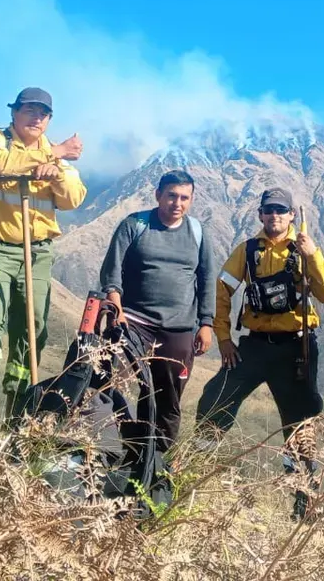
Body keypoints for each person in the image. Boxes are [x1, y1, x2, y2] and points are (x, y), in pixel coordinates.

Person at [194, 188, 324, 519]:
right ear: (260, 214)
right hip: (254, 346)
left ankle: (303, 504)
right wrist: (224, 338)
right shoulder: (247, 251)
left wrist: (312, 255)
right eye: (269, 210)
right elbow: (221, 290)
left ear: (291, 216)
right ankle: (196, 472)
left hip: (296, 348)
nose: (275, 215)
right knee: (214, 398)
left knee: (300, 424)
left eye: (281, 210)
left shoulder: (304, 249)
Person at [0, 87, 86, 441]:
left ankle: (17, 410)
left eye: (43, 114)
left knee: (32, 328)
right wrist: (53, 152)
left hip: (37, 251)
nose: (36, 118)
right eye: (29, 110)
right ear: (14, 112)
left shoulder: (55, 158)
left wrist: (57, 170)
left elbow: (75, 197)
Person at [99, 169, 218, 452]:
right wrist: (116, 304)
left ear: (191, 200)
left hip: (179, 328)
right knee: (111, 381)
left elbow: (206, 279)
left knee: (167, 397)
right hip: (134, 321)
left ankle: (156, 458)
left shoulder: (198, 233)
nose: (177, 203)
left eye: (184, 198)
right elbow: (111, 271)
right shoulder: (135, 225)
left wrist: (206, 323)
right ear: (158, 196)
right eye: (171, 196)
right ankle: (112, 448)